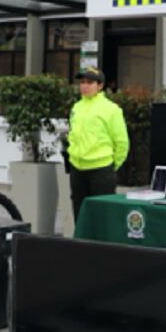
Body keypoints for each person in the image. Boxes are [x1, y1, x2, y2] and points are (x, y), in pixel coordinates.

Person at [67, 68, 129, 222]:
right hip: (77, 168)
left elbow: (122, 142)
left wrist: (112, 165)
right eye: (82, 82)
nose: (85, 86)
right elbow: (73, 135)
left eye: (90, 82)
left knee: (102, 216)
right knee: (80, 215)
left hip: (101, 170)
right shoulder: (76, 107)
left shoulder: (111, 109)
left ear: (100, 86)